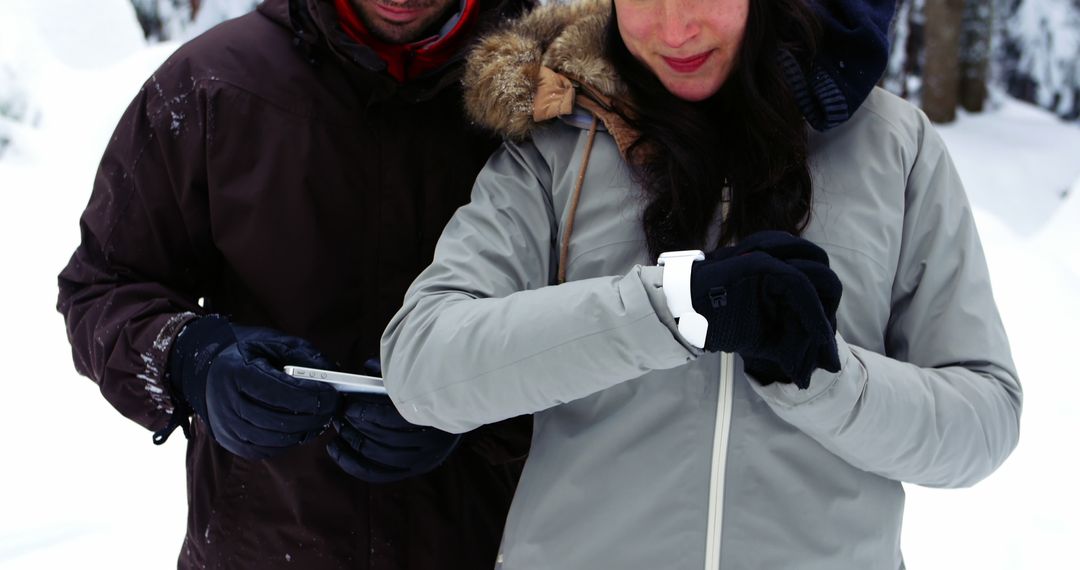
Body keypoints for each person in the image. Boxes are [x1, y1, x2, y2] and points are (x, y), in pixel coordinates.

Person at [381, 0, 1023, 568]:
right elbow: (423, 366)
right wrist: (670, 310)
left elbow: (984, 420)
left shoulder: (893, 144)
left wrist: (822, 377)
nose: (675, 28)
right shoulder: (556, 144)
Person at [56, 0, 534, 568]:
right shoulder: (211, 84)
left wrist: (479, 406)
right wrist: (194, 361)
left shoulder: (550, 94)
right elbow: (104, 285)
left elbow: (620, 324)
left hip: (492, 544)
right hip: (257, 545)